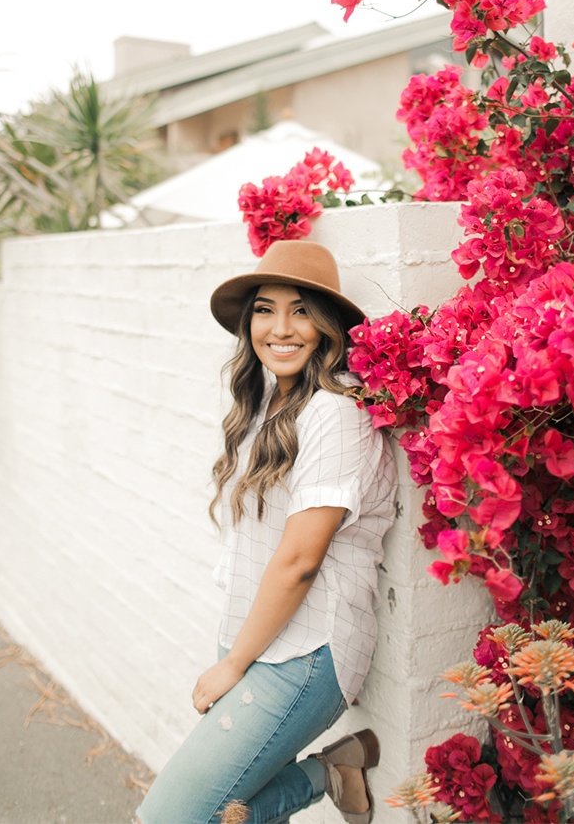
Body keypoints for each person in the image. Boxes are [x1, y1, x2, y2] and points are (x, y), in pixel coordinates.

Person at [135, 240, 397, 824]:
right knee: (227, 808)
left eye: (301, 310)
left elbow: (300, 559)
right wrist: (233, 652)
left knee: (170, 818)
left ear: (328, 326)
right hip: (256, 635)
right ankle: (333, 771)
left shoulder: (335, 413)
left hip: (307, 653)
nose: (281, 328)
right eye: (264, 309)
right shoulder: (265, 406)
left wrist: (232, 666)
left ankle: (323, 774)